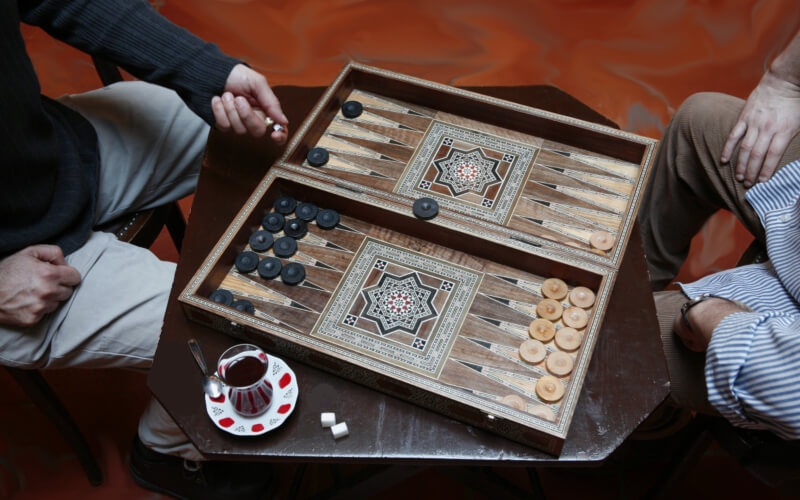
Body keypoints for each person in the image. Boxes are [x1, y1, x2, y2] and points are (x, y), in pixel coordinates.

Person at [1, 0, 289, 498]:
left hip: (56, 158)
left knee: (270, 140)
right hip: (15, 267)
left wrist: (213, 73)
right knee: (241, 332)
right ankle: (165, 452)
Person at [639, 28, 800, 440]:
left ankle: (659, 419)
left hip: (781, 351)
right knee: (699, 121)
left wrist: (712, 314)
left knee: (607, 345)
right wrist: (787, 80)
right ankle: (634, 281)